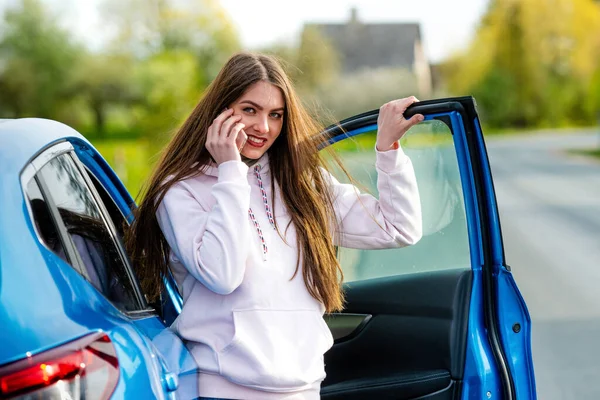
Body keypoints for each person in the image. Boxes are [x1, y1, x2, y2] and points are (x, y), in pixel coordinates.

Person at [125, 52, 423, 400]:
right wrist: (231, 171)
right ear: (220, 111)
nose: (263, 127)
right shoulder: (180, 190)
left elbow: (398, 227)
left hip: (304, 390)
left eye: (275, 115)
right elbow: (223, 275)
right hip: (222, 391)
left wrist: (388, 149)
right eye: (249, 110)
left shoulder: (302, 183)